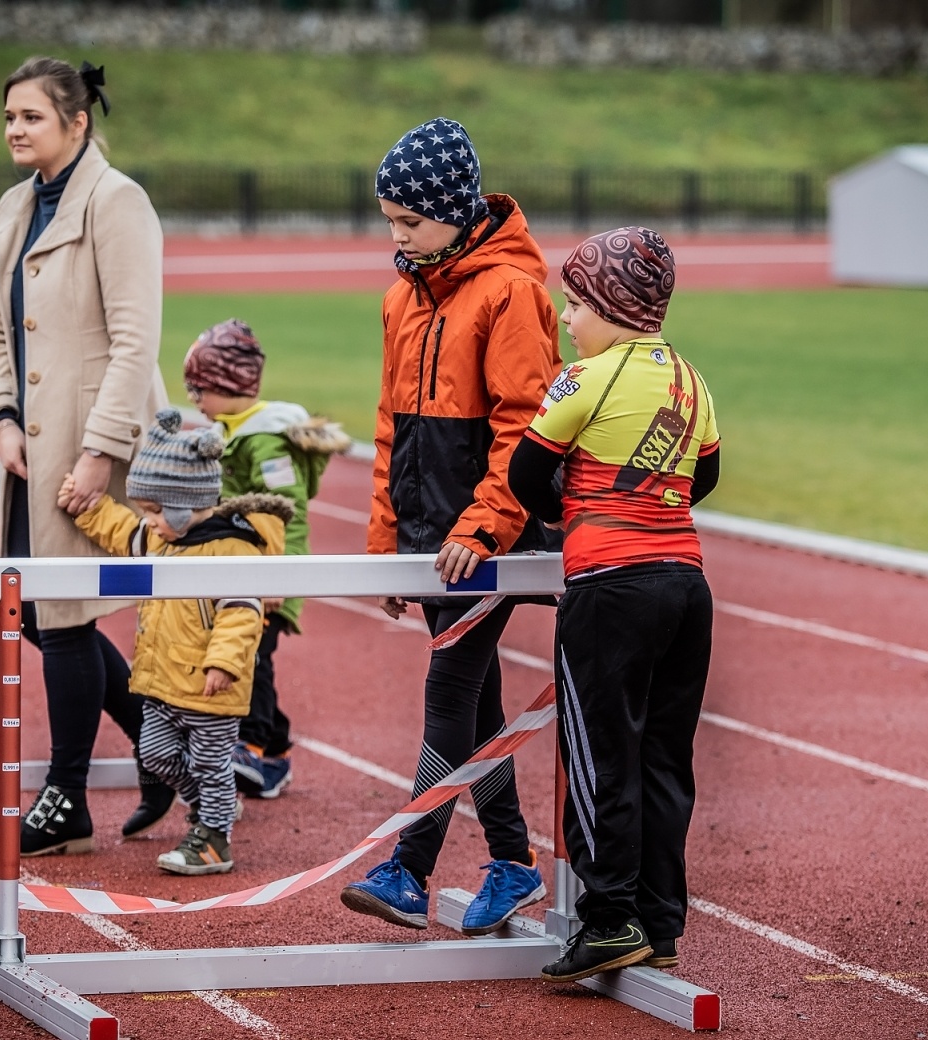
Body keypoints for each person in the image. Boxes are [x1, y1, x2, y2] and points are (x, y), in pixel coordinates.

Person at [340, 117, 561, 936]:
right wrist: (386, 546)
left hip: (483, 541)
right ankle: (512, 864)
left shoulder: (511, 294)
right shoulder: (402, 296)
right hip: (429, 542)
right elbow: (391, 427)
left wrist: (487, 523)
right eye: (388, 220)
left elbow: (524, 426)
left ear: (456, 209)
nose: (394, 237)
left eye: (409, 222)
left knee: (451, 690)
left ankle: (409, 868)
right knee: (474, 698)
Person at [506, 227, 721, 981]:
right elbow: (705, 481)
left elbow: (527, 475)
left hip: (609, 585)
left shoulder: (582, 378)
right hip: (685, 586)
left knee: (599, 757)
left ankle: (607, 921)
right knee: (666, 758)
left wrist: (579, 508)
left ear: (607, 304)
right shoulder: (692, 380)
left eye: (573, 303)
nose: (567, 319)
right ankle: (659, 923)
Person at [0, 56, 169, 856]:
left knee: (61, 617)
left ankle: (66, 795)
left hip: (93, 445)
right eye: (9, 116)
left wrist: (99, 452)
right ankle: (162, 748)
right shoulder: (16, 207)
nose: (16, 129)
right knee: (38, 611)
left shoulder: (119, 203)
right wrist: (3, 418)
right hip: (29, 448)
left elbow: (135, 340)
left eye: (32, 117)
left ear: (77, 122)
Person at [67, 409, 292, 874]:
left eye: (154, 511)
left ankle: (212, 840)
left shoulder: (231, 549)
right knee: (154, 754)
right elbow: (121, 530)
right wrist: (89, 506)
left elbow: (241, 614)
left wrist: (224, 664)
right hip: (162, 684)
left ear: (184, 506)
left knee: (212, 766)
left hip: (211, 691)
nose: (148, 522)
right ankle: (216, 807)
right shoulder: (162, 540)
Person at [182, 319, 351, 800]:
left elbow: (288, 513)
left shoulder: (265, 441)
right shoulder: (227, 431)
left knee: (250, 654)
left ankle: (252, 745)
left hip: (272, 571)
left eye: (200, 388)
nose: (194, 397)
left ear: (229, 386)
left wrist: (277, 575)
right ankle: (275, 748)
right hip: (244, 567)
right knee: (241, 650)